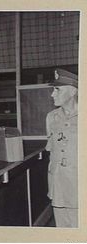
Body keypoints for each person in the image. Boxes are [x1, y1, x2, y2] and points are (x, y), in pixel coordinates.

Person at [45, 68, 78, 227]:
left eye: (57, 89)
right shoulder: (51, 117)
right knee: (63, 234)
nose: (52, 94)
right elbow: (53, 152)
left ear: (73, 91)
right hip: (58, 188)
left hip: (79, 189)